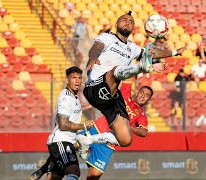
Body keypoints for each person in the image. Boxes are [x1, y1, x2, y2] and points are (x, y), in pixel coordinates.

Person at [77, 11, 188, 154]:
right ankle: (142, 67)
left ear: (133, 28)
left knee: (125, 139)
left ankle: (87, 140)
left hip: (112, 97)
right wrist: (92, 57)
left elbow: (152, 54)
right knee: (114, 71)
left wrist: (174, 52)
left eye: (131, 21)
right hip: (95, 86)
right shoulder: (106, 37)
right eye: (124, 20)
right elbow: (96, 47)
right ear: (116, 24)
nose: (127, 22)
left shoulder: (133, 48)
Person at [30, 80, 153, 180]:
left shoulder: (141, 116)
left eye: (147, 95)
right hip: (95, 130)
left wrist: (126, 127)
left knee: (93, 177)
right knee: (67, 149)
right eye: (142, 92)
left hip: (107, 145)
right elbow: (128, 74)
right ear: (138, 92)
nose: (143, 96)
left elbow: (144, 132)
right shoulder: (125, 94)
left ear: (149, 100)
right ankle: (44, 169)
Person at [37, 66, 95, 180]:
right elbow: (63, 125)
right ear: (67, 80)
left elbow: (74, 109)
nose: (77, 80)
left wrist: (89, 106)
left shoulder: (74, 96)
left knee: (55, 177)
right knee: (73, 170)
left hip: (67, 141)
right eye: (73, 78)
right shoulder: (65, 97)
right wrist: (83, 125)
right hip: (61, 141)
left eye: (79, 77)